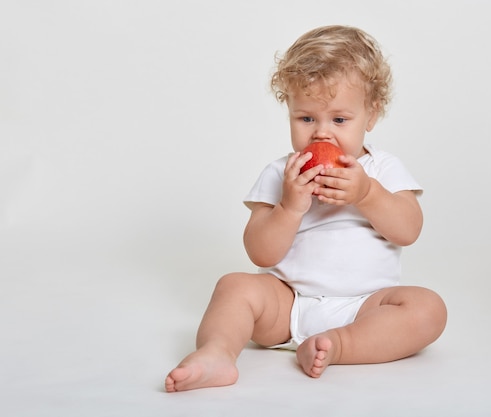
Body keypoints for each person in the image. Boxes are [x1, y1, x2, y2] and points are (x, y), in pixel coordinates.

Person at [165, 25, 447, 392]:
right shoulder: (283, 173)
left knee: (428, 309)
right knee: (233, 286)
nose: (321, 134)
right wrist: (289, 207)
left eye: (340, 120)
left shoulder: (382, 169)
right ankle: (217, 353)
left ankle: (339, 344)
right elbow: (261, 254)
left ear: (371, 115)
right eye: (307, 118)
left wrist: (367, 194)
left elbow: (408, 230)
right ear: (290, 112)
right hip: (288, 303)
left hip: (365, 307)